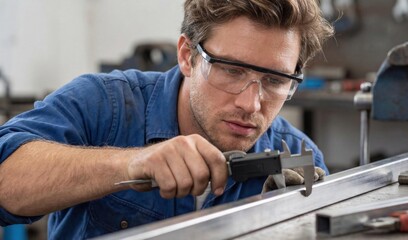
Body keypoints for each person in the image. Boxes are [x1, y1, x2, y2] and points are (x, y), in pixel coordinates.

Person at [0, 0, 334, 238]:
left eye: (275, 81)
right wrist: (130, 165)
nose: (251, 104)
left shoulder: (299, 158)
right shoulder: (104, 104)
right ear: (188, 57)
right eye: (232, 71)